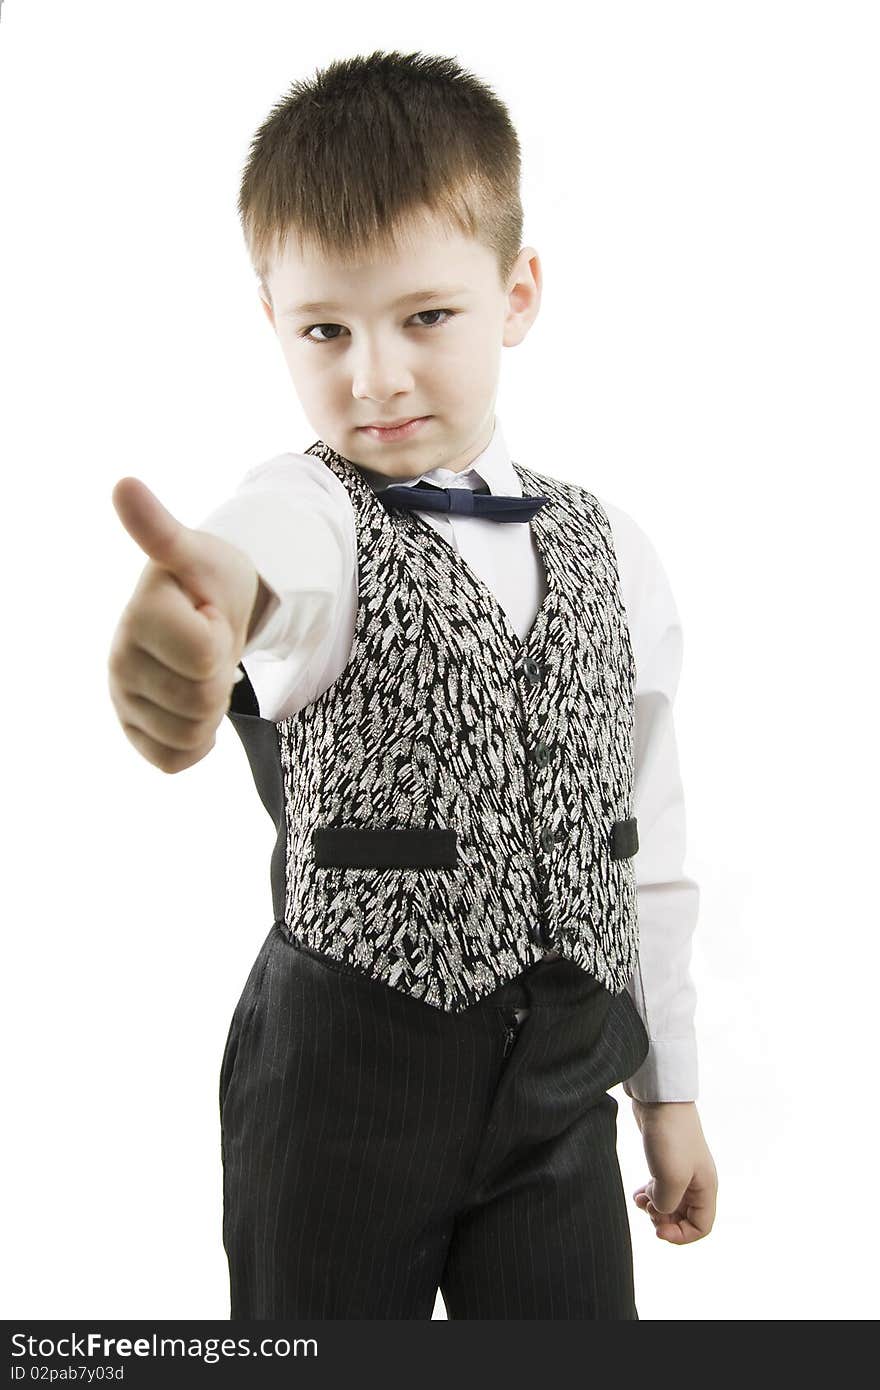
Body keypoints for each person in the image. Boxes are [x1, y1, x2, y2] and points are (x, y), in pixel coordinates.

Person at [107, 49, 718, 1320]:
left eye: (423, 317)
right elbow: (258, 556)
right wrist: (198, 604)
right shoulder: (308, 512)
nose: (372, 377)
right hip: (341, 1097)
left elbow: (641, 844)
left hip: (557, 1106)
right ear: (270, 317)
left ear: (517, 292)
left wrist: (669, 1095)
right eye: (324, 328)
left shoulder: (619, 556)